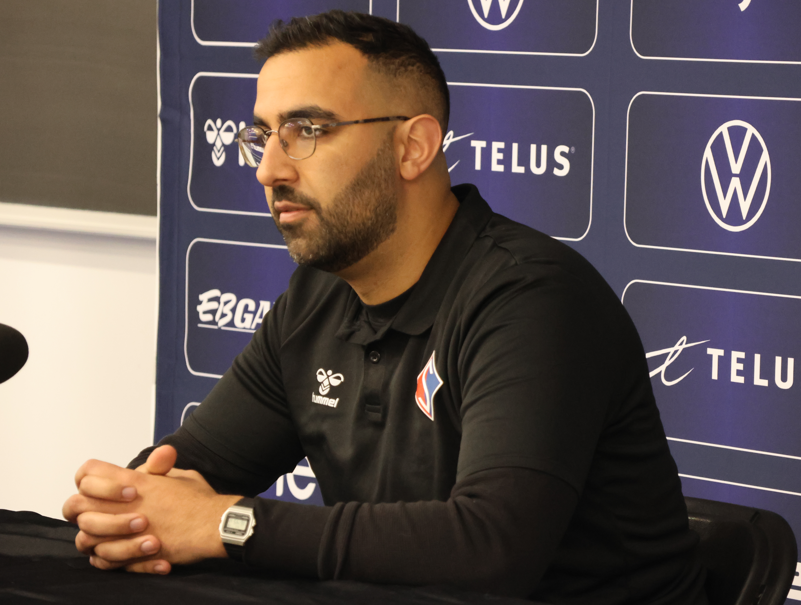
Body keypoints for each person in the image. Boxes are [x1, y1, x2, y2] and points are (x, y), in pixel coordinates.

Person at [63, 11, 707, 604]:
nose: (269, 169)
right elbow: (185, 473)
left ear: (413, 147)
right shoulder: (317, 296)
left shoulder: (533, 299)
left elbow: (491, 547)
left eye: (306, 130)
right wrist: (129, 507)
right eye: (262, 136)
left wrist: (227, 523)